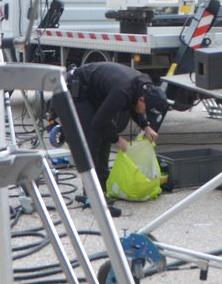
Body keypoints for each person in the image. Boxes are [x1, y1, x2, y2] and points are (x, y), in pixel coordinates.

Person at [68, 62, 168, 213]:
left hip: (100, 92)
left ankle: (103, 184)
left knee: (108, 131)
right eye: (147, 110)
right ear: (143, 99)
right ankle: (91, 192)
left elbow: (135, 106)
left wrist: (146, 125)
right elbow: (98, 123)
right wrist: (117, 140)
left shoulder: (144, 86)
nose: (145, 113)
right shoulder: (122, 91)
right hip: (82, 88)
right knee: (93, 137)